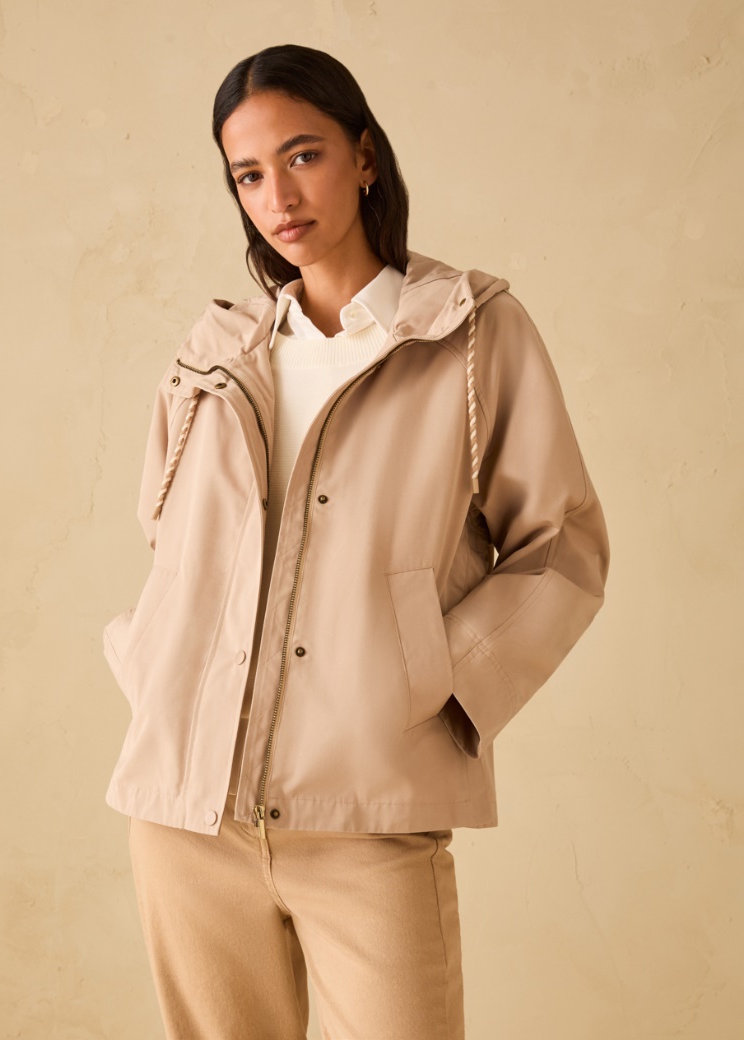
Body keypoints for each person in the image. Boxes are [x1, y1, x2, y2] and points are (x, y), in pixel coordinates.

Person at [102, 42, 610, 1040]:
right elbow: (171, 542)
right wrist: (153, 659)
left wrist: (436, 685)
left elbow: (562, 541)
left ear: (364, 155)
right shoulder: (215, 356)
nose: (279, 196)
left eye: (304, 155)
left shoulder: (467, 335)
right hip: (187, 818)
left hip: (367, 814)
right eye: (249, 174)